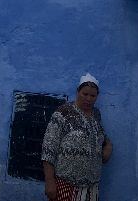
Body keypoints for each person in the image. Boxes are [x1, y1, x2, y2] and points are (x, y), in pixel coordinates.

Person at [41, 73, 113, 201]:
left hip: (92, 187)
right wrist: (49, 181)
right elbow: (48, 148)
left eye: (93, 96)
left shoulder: (96, 114)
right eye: (85, 94)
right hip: (66, 185)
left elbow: (101, 136)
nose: (88, 99)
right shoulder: (63, 113)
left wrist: (108, 146)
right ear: (77, 92)